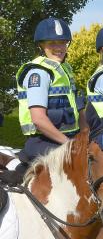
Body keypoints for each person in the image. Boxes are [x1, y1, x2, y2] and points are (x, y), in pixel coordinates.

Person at [14, 17, 87, 172]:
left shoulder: (65, 71)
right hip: (44, 143)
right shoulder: (39, 73)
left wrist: (86, 138)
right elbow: (39, 119)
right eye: (52, 43)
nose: (59, 47)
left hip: (66, 141)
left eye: (63, 42)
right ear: (41, 45)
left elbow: (79, 111)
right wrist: (70, 145)